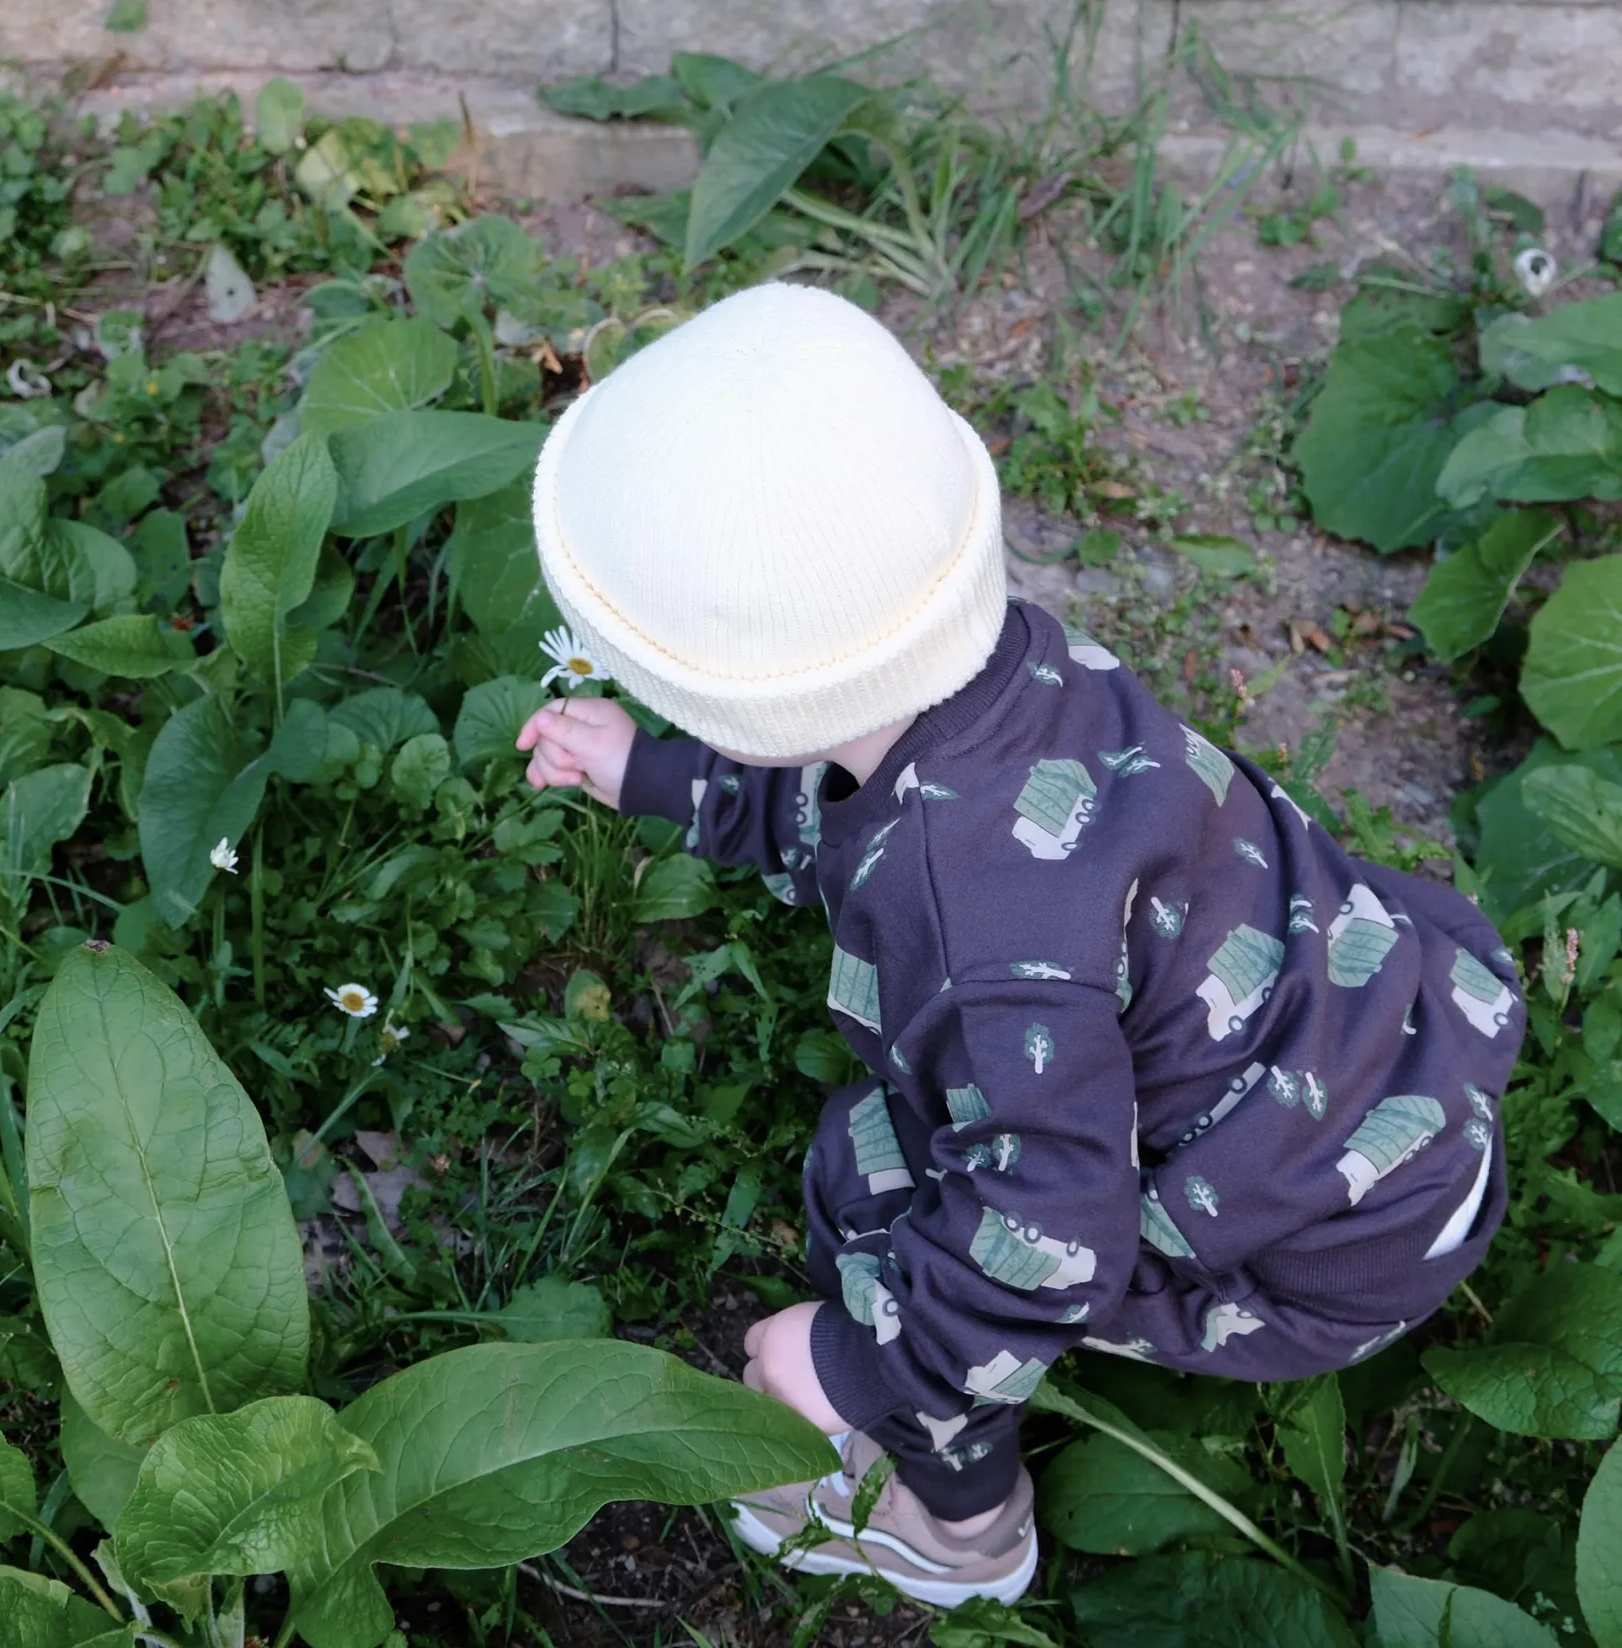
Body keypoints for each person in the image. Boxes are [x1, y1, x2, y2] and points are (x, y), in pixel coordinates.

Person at [514, 282, 1522, 1607]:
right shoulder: (1011, 666)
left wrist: (858, 1367)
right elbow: (837, 759)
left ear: (754, 710)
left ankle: (956, 1526)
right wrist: (666, 775)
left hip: (1314, 1238)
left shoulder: (976, 937)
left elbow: (1043, 1226)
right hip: (1385, 1059)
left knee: (871, 1179)